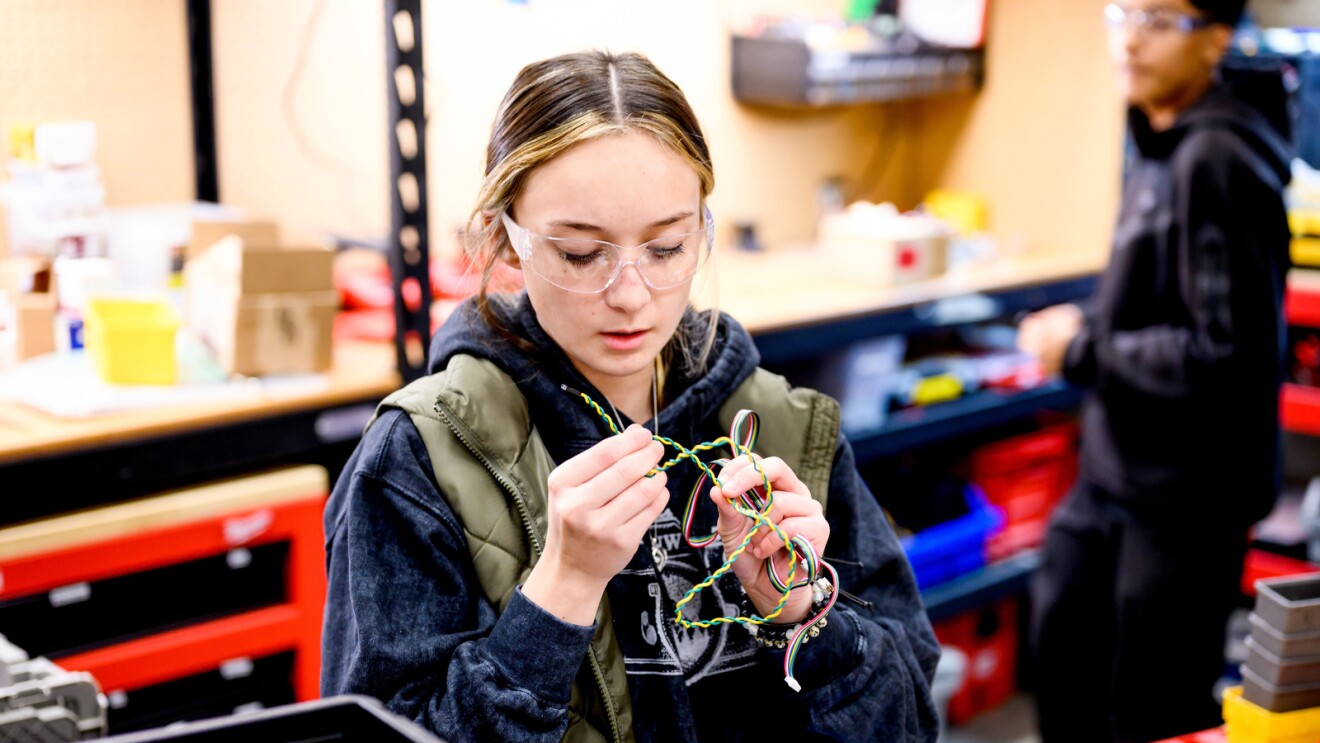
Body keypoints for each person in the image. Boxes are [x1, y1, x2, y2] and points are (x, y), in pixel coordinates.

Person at [320, 50, 940, 742]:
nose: (630, 294)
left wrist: (806, 615)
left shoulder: (790, 427)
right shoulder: (418, 460)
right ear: (505, 238)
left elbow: (911, 717)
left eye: (667, 247)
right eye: (582, 254)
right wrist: (559, 592)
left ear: (700, 229)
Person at [1017, 1, 1293, 741]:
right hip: (1116, 471)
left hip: (1181, 497)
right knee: (1063, 655)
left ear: (1217, 40)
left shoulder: (1220, 160)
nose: (1132, 36)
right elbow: (1163, 301)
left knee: (1150, 706)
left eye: (1161, 18)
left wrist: (1079, 351)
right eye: (1123, 11)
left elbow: (1226, 355)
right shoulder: (1162, 137)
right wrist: (1086, 326)